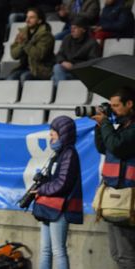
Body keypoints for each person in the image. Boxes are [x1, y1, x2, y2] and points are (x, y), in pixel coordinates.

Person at [31, 115, 83, 269]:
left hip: (61, 208)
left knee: (58, 250)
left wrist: (41, 189)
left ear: (63, 133)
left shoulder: (69, 154)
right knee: (45, 250)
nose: (50, 135)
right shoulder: (60, 154)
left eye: (53, 132)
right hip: (50, 208)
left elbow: (62, 184)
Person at [92, 87, 135, 269]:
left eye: (116, 105)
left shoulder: (132, 129)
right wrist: (100, 125)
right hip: (115, 198)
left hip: (129, 199)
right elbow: (104, 147)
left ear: (129, 104)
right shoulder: (123, 126)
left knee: (127, 256)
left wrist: (106, 124)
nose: (113, 109)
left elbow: (117, 146)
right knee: (117, 254)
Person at [8, 7, 55, 84]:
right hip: (23, 68)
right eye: (27, 17)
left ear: (39, 20)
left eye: (31, 17)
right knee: (10, 79)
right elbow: (14, 55)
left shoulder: (46, 35)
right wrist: (22, 45)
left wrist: (25, 43)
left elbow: (39, 55)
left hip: (40, 70)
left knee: (24, 77)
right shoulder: (22, 33)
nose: (27, 20)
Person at [52, 16, 101, 87]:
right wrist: (63, 62)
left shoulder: (92, 43)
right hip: (67, 71)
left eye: (75, 28)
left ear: (83, 30)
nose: (72, 30)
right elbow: (59, 54)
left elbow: (93, 63)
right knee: (56, 71)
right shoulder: (67, 39)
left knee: (55, 75)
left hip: (81, 74)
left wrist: (74, 66)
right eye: (71, 28)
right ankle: (62, 93)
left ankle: (61, 93)